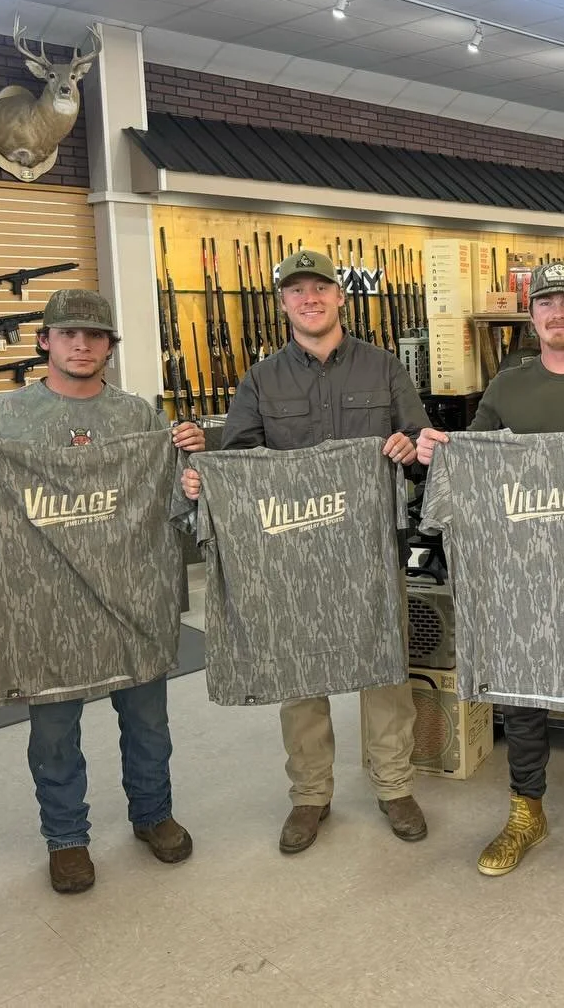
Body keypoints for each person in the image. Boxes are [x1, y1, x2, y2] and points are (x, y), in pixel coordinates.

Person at [0, 289, 205, 895]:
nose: (82, 344)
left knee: (149, 722)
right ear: (45, 341)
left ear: (109, 346)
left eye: (95, 335)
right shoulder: (0, 419)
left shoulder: (140, 418)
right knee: (53, 732)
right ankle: (66, 838)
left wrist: (190, 468)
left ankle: (153, 815)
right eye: (69, 333)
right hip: (46, 607)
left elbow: (176, 505)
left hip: (133, 597)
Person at [415, 261, 564, 889]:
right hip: (518, 574)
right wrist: (436, 452)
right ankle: (526, 809)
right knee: (521, 692)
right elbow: (470, 470)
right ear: (534, 315)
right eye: (547, 302)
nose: (558, 313)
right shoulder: (506, 389)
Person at [182, 248, 430, 855]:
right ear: (285, 303)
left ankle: (394, 784)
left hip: (372, 552)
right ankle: (310, 794)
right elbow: (241, 464)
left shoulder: (385, 369)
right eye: (297, 291)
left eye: (320, 288)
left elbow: (426, 446)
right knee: (301, 672)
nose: (310, 299)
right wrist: (202, 482)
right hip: (292, 556)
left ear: (340, 296)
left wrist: (409, 449)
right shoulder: (262, 379)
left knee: (385, 668)